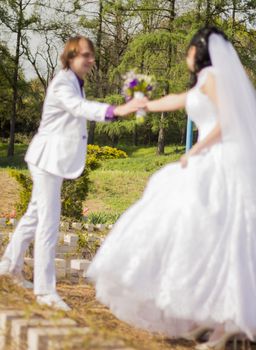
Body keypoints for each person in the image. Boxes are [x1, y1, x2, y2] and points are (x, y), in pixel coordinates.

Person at [87, 26, 256, 349]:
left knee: (217, 234)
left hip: (218, 159)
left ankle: (225, 324)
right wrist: (144, 105)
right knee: (205, 235)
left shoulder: (212, 76)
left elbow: (227, 121)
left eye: (189, 50)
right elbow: (178, 100)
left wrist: (196, 149)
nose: (185, 56)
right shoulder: (205, 82)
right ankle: (210, 316)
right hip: (210, 157)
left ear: (199, 51)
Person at [0, 36, 147, 311]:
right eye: (86, 56)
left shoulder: (75, 82)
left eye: (91, 56)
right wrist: (117, 110)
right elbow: (81, 108)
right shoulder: (62, 84)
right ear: (70, 57)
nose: (91, 61)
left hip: (49, 158)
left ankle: (9, 265)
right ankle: (45, 292)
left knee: (34, 215)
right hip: (47, 160)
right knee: (48, 222)